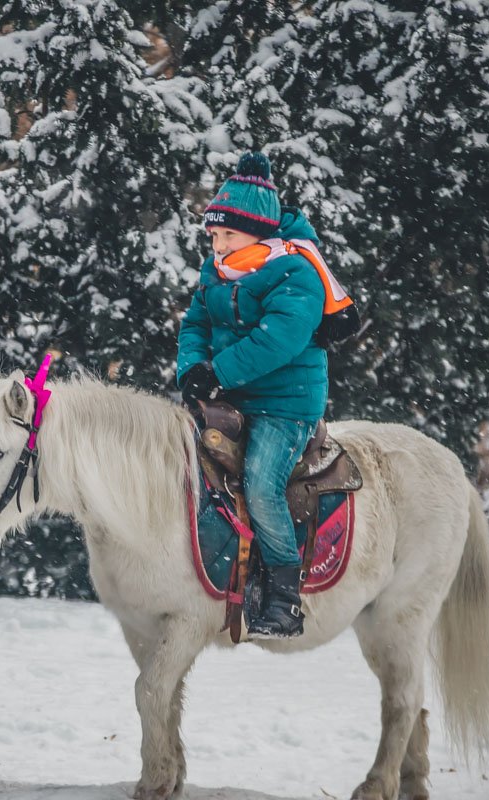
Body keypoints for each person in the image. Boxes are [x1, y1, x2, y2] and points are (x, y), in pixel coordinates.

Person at [177, 152, 329, 640]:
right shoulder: (217, 270)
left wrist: (216, 371)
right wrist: (191, 373)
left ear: (259, 233)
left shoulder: (296, 271)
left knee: (263, 483)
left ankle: (284, 594)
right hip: (230, 394)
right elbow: (195, 324)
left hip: (285, 403)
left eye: (228, 236)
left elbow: (278, 338)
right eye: (214, 236)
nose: (217, 246)